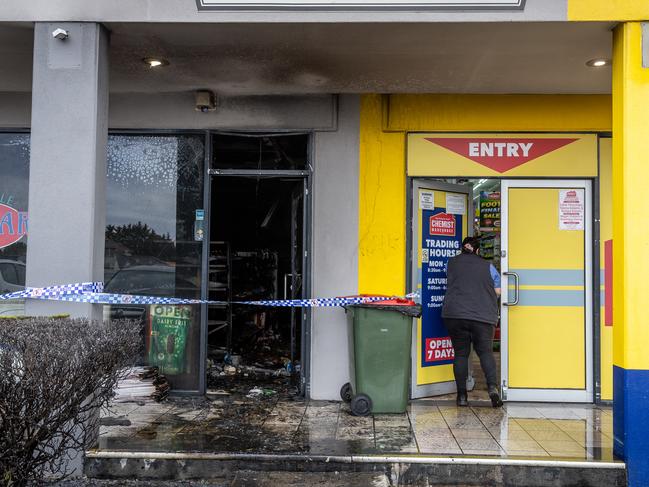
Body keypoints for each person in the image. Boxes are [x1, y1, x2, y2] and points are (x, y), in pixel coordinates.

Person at [442, 236, 503, 408]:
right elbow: (498, 291)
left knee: (461, 354)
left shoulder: (451, 263)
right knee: (485, 352)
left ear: (463, 248)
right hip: (481, 316)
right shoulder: (488, 266)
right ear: (477, 250)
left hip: (455, 314)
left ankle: (461, 396)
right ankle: (492, 389)